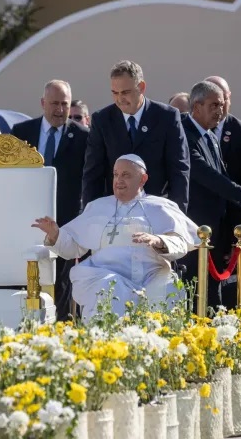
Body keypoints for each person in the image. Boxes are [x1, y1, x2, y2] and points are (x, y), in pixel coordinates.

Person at [33, 154, 198, 319]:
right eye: (116, 174)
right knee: (110, 287)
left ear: (142, 179)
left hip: (151, 276)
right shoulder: (98, 207)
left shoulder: (161, 206)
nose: (119, 180)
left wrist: (159, 240)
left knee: (166, 291)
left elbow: (181, 242)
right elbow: (73, 249)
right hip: (104, 275)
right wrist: (56, 234)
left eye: (126, 175)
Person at [180, 81, 241, 307]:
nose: (220, 110)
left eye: (222, 104)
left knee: (214, 297)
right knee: (195, 298)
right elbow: (209, 178)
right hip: (194, 232)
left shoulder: (210, 135)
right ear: (196, 106)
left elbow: (226, 181)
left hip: (217, 232)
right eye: (214, 105)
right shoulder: (184, 134)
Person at [12, 80, 89, 320]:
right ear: (43, 103)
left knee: (61, 284)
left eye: (64, 104)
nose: (59, 109)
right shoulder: (21, 132)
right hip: (27, 220)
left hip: (65, 223)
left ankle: (60, 332)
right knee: (26, 280)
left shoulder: (84, 137)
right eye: (54, 103)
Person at [82, 60, 190, 212]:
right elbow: (93, 174)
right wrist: (90, 215)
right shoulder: (102, 120)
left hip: (157, 209)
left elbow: (179, 171)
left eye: (125, 92)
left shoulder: (167, 117)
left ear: (141, 87)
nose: (120, 99)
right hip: (114, 211)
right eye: (115, 93)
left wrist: (177, 215)